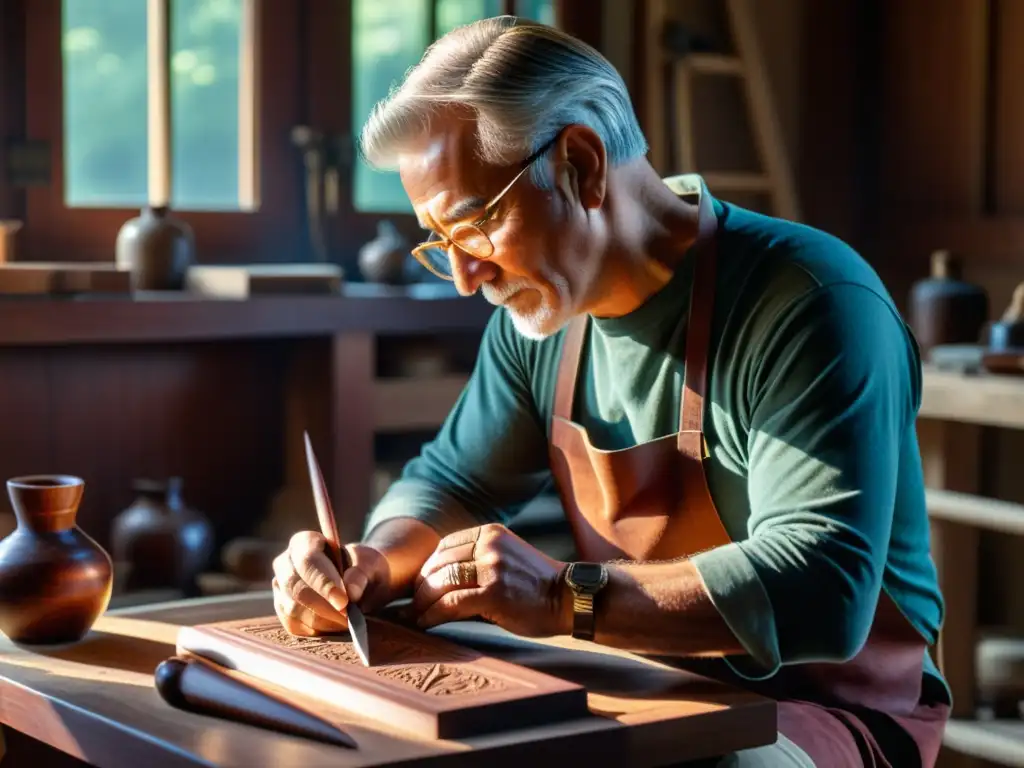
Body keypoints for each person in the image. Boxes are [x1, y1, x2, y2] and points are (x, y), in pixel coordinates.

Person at [271, 16, 950, 767]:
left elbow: (822, 589)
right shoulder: (546, 318)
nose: (466, 276)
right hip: (645, 679)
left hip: (827, 710)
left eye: (475, 226)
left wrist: (566, 597)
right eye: (441, 244)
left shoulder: (812, 301)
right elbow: (454, 481)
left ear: (582, 164)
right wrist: (371, 562)